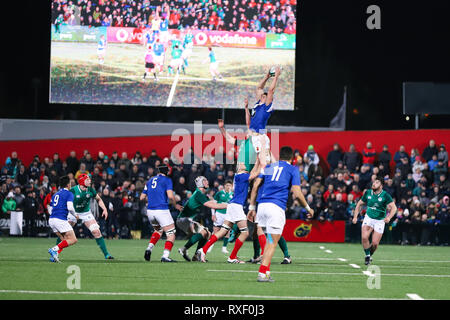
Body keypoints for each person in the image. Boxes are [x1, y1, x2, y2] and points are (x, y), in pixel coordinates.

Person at [248, 146, 314, 282]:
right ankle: (262, 273)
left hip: (262, 207)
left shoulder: (268, 167)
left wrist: (251, 207)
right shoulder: (292, 169)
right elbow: (297, 193)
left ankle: (265, 272)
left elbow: (255, 185)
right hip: (275, 208)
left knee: (269, 241)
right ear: (292, 158)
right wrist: (308, 208)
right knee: (272, 242)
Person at [196, 163, 259, 263]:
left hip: (232, 206)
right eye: (241, 163)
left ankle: (202, 250)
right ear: (238, 168)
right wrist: (264, 165)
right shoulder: (242, 175)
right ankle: (232, 256)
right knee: (245, 233)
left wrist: (258, 161)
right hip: (236, 206)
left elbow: (253, 172)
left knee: (222, 231)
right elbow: (255, 174)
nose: (243, 163)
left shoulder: (240, 176)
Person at [176, 176, 228, 261]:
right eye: (205, 181)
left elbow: (213, 201)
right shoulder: (198, 194)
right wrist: (228, 205)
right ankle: (184, 249)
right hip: (184, 219)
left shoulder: (200, 193)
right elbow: (213, 205)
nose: (207, 182)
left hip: (186, 219)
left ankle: (196, 256)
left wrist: (222, 202)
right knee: (204, 232)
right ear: (200, 183)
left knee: (208, 234)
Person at [140, 165, 182, 262]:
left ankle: (149, 248)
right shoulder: (167, 180)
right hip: (161, 210)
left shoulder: (150, 180)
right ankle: (165, 256)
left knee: (158, 230)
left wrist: (151, 199)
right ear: (166, 172)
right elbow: (171, 196)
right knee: (171, 233)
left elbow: (142, 197)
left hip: (150, 211)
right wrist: (175, 205)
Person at [68, 173, 114, 259]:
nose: (90, 181)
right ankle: (55, 252)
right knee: (64, 233)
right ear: (82, 181)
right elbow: (66, 202)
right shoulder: (73, 190)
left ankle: (106, 254)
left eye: (89, 179)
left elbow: (99, 199)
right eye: (87, 180)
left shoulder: (91, 190)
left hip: (86, 213)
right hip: (73, 212)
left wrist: (104, 209)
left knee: (96, 232)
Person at [352, 177, 397, 265]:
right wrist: (355, 216)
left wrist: (388, 217)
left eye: (377, 182)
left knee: (375, 244)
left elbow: (394, 208)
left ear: (381, 186)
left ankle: (369, 254)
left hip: (380, 220)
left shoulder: (385, 195)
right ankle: (367, 256)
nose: (374, 183)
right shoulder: (368, 193)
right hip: (368, 218)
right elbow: (359, 204)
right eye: (374, 182)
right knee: (364, 237)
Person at [248, 66, 281, 170]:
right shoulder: (258, 104)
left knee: (262, 162)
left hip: (259, 136)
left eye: (265, 96)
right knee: (261, 160)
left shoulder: (266, 107)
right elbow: (259, 88)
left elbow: (271, 90)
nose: (263, 95)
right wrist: (267, 77)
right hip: (253, 136)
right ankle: (276, 168)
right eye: (262, 95)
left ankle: (276, 170)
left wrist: (276, 76)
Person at [47, 176, 78, 263]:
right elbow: (70, 207)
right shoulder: (69, 194)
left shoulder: (55, 194)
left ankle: (55, 256)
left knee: (63, 240)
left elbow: (50, 208)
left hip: (52, 219)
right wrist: (75, 215)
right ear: (68, 185)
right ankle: (54, 249)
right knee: (73, 239)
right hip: (60, 219)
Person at [211, 180, 234, 254]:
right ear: (224, 186)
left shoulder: (233, 194)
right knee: (216, 230)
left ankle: (224, 248)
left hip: (228, 214)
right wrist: (213, 214)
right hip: (219, 213)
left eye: (229, 185)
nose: (228, 187)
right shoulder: (219, 193)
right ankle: (210, 245)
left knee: (227, 231)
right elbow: (213, 204)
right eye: (227, 185)